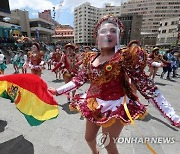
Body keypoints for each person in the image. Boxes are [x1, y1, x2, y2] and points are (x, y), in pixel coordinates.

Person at [48, 16, 180, 154]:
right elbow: (78, 80)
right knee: (89, 138)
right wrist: (57, 91)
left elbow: (148, 88)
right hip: (94, 103)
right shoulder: (90, 58)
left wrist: (173, 117)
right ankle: (95, 152)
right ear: (97, 36)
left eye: (113, 31)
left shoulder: (124, 58)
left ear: (118, 36)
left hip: (116, 106)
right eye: (103, 31)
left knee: (109, 144)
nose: (108, 34)